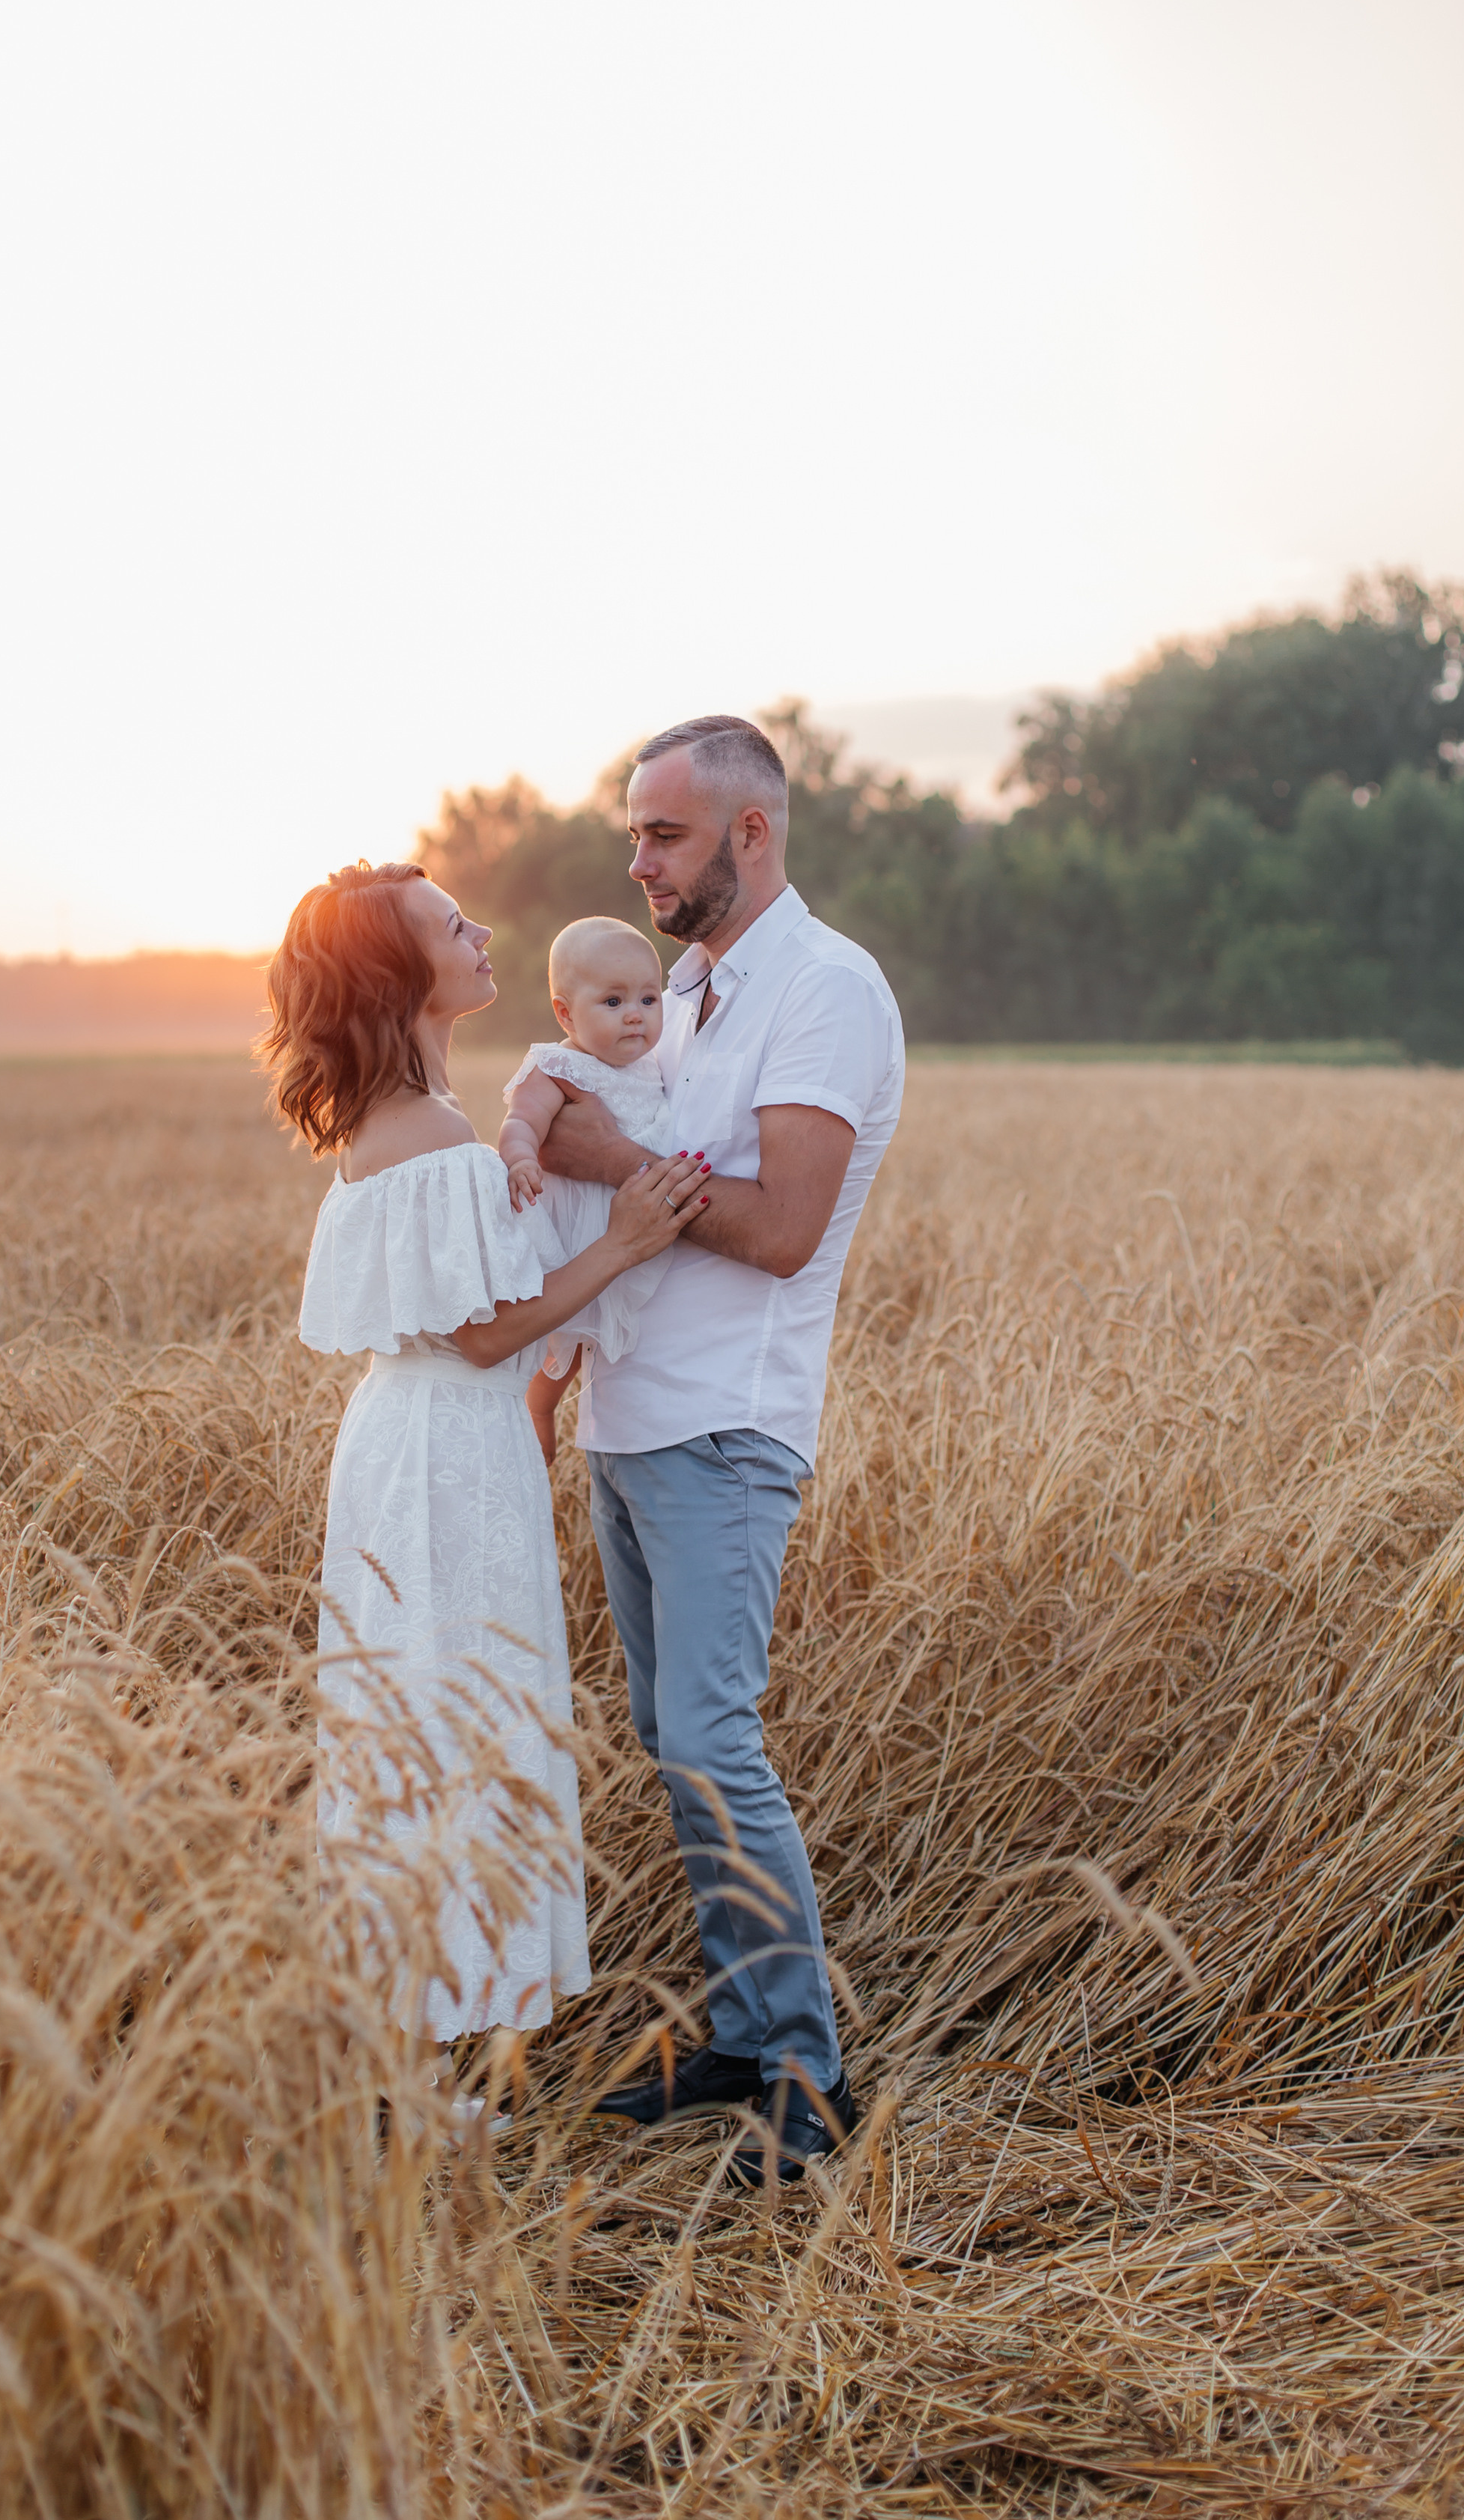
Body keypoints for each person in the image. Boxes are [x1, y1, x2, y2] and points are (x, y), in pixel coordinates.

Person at [535, 716, 904, 2186]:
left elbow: (775, 1227)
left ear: (750, 835)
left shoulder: (822, 989)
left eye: (661, 836)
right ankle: (745, 2039)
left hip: (725, 1428)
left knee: (706, 1733)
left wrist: (605, 1162)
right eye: (632, 833)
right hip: (632, 1421)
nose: (634, 862)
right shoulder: (676, 988)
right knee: (671, 1740)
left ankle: (805, 2073)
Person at [263, 860, 706, 2078]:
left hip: (426, 1442)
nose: (480, 932)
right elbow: (482, 1328)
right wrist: (624, 1241)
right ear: (400, 973)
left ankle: (424, 2048)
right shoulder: (429, 1128)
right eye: (449, 927)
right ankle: (434, 2059)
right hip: (442, 1441)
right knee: (451, 1722)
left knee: (430, 1716)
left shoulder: (410, 1114)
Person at [496, 916, 676, 1463]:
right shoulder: (558, 1067)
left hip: (623, 1231)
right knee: (560, 1334)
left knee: (596, 1336)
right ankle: (538, 1409)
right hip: (570, 1234)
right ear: (565, 1013)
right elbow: (519, 1123)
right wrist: (521, 1159)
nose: (635, 1016)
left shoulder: (655, 1068)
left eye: (648, 999)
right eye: (613, 1002)